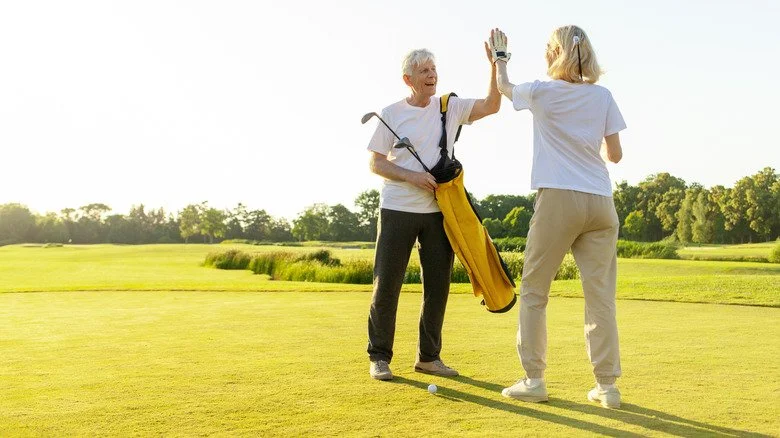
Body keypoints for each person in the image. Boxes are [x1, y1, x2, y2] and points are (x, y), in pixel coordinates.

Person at [490, 26, 626, 408]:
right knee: (601, 298)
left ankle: (534, 380)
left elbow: (503, 86)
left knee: (535, 290)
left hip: (558, 198)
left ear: (554, 53)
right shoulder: (603, 96)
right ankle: (607, 387)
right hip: (601, 201)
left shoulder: (541, 91)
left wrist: (500, 59)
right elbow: (615, 155)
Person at [365, 41, 501, 381]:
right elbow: (376, 163)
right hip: (397, 208)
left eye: (434, 69)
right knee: (387, 284)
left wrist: (495, 66)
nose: (432, 75)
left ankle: (429, 358)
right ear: (408, 79)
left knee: (438, 287)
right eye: (424, 71)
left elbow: (492, 105)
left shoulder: (449, 107)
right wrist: (411, 176)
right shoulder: (392, 113)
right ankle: (379, 357)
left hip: (440, 212)